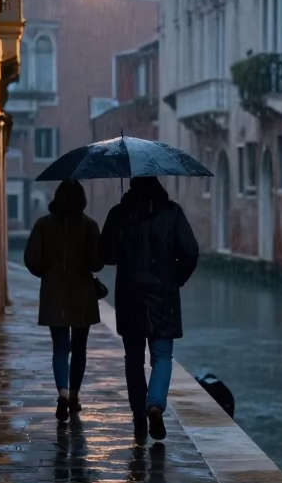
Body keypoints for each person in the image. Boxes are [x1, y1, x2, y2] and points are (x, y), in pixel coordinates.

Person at [99, 176, 200, 441]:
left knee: (133, 360)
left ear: (131, 185)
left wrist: (118, 228)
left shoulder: (120, 214)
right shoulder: (173, 212)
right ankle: (154, 404)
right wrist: (176, 277)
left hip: (129, 296)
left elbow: (105, 256)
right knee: (162, 356)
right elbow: (191, 252)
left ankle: (138, 417)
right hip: (163, 296)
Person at [23, 179, 103, 422]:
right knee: (79, 348)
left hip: (53, 293)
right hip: (83, 295)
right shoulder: (90, 225)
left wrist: (47, 273)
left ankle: (63, 393)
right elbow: (98, 262)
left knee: (60, 347)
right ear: (82, 200)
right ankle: (75, 396)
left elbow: (31, 259)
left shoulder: (42, 225)